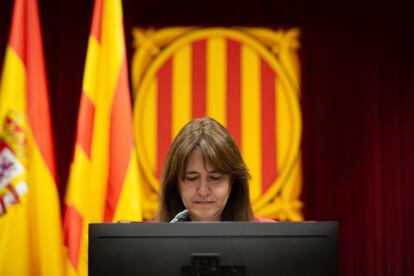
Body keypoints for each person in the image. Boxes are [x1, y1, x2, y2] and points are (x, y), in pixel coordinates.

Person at [157, 117, 272, 222]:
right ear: (175, 183)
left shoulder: (270, 237)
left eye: (215, 178)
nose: (203, 191)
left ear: (233, 182)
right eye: (191, 178)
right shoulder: (151, 242)